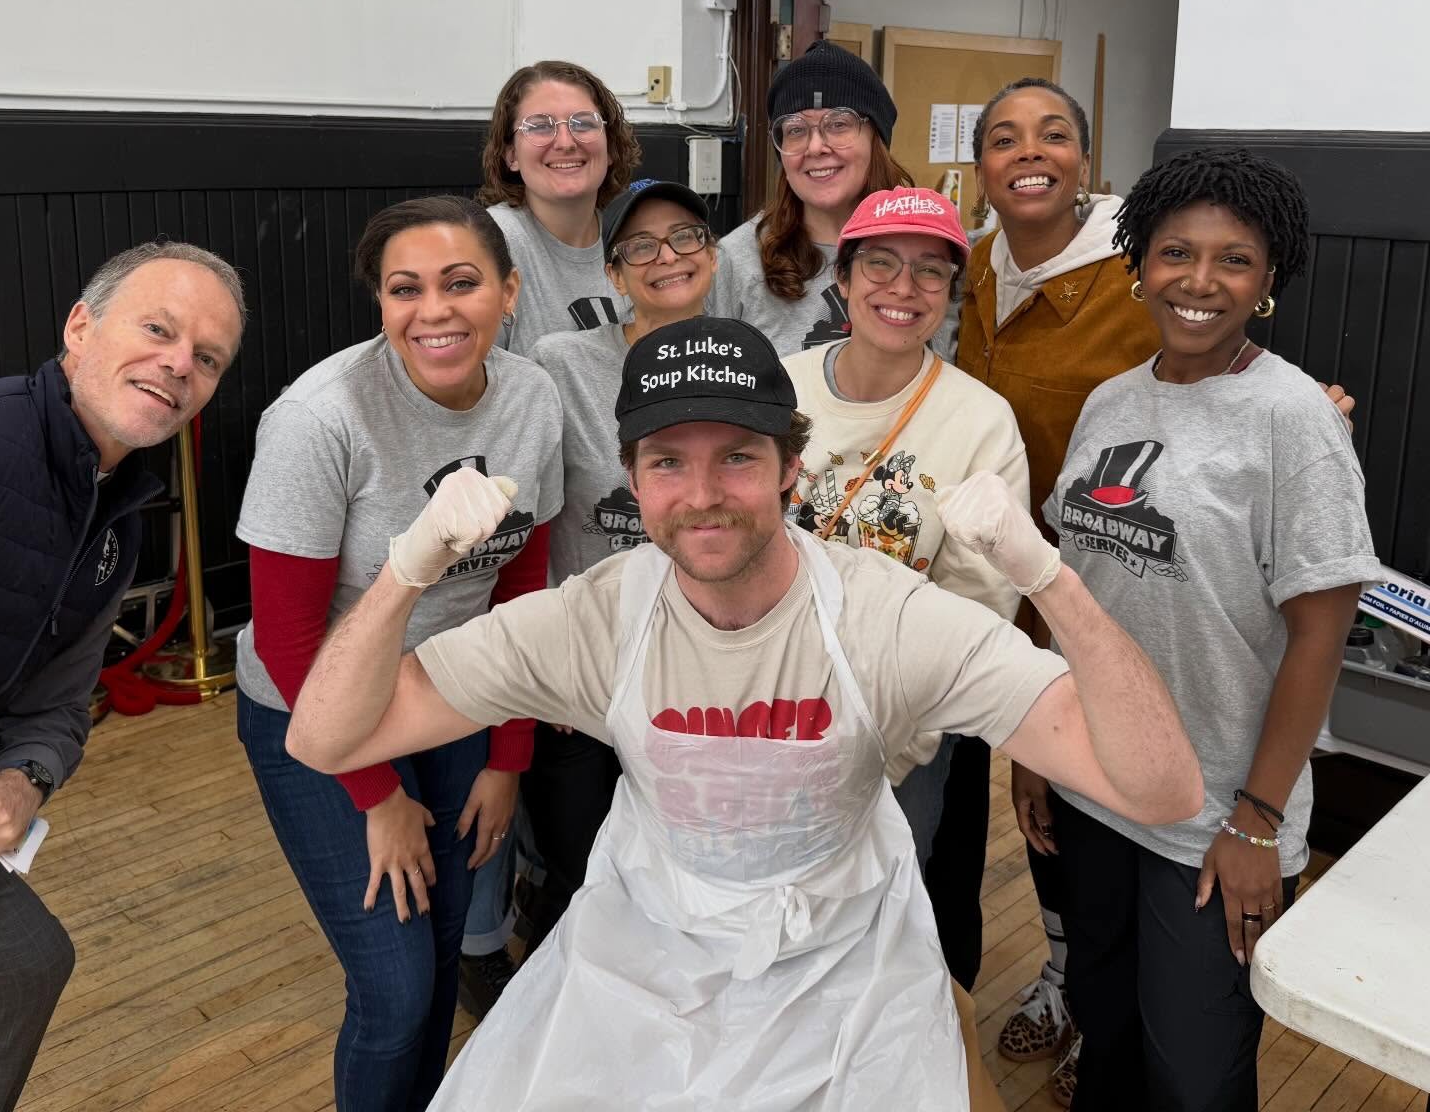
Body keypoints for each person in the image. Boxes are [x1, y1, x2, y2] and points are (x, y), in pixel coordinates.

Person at [285, 314, 1204, 1111]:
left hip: (845, 965)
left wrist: (1046, 574)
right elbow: (326, 736)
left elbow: (1159, 789)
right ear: (633, 481)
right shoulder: (596, 619)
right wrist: (410, 567)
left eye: (737, 458)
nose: (703, 495)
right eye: (667, 464)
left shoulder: (886, 619)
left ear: (790, 469)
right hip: (643, 953)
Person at [1041, 149, 1380, 1112]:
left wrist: (1258, 820)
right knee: (1102, 1033)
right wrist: (1043, 746)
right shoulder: (1112, 402)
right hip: (1097, 783)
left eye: (1234, 260)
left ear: (1268, 281)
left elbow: (1320, 634)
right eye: (1176, 253)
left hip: (1214, 817)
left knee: (1195, 1074)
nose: (1199, 281)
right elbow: (1078, 592)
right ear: (1138, 265)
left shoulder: (1293, 422)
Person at [234, 196, 562, 1112]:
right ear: (378, 302)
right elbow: (288, 637)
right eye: (404, 289)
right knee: (394, 990)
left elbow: (523, 577)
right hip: (312, 715)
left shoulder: (531, 396)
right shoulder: (319, 418)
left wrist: (508, 756)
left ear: (508, 292)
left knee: (447, 942)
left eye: (462, 283)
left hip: (451, 696)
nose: (435, 310)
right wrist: (374, 795)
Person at [0, 242, 245, 1111]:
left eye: (206, 358)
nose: (179, 364)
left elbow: (61, 706)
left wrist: (25, 782)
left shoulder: (118, 521)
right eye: (158, 329)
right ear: (79, 326)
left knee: (28, 961)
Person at [954, 76, 1159, 1093]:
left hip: (1112, 581)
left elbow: (1218, 366)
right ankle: (1070, 972)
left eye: (1054, 134)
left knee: (1105, 798)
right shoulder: (978, 269)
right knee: (1036, 797)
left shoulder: (1135, 274)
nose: (1029, 152)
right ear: (981, 163)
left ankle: (1115, 1014)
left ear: (1085, 155)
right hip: (1006, 586)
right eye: (1004, 137)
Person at [778, 185, 1028, 961]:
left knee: (881, 913)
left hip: (901, 725)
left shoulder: (982, 420)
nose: (902, 288)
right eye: (880, 264)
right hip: (766, 703)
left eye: (930, 272)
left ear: (951, 293)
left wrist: (898, 742)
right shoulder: (777, 386)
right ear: (844, 279)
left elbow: (979, 605)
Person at [520, 179, 717, 950]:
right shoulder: (562, 363)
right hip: (588, 672)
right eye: (640, 245)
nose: (666, 257)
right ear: (613, 273)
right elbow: (531, 513)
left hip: (701, 671)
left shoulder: (744, 359)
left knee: (686, 870)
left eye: (686, 237)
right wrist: (550, 655)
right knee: (585, 873)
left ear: (711, 253)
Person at [713, 39, 956, 358]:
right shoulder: (735, 260)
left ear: (876, 139)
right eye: (796, 130)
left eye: (839, 124)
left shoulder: (934, 245)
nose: (815, 147)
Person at [479, 59, 643, 355]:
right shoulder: (490, 242)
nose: (566, 142)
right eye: (540, 126)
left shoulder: (636, 238)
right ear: (511, 155)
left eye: (584, 123)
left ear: (610, 149)